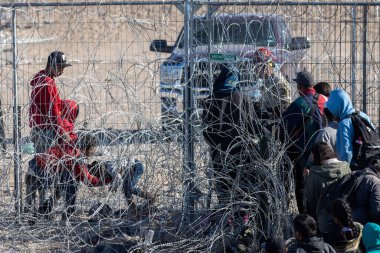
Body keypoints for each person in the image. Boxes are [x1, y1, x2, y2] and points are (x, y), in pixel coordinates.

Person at [202, 64, 256, 206]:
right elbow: (251, 125)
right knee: (242, 183)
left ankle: (226, 215)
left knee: (223, 184)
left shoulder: (210, 100)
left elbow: (206, 130)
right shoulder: (243, 99)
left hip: (219, 151)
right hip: (240, 148)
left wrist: (217, 144)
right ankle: (242, 215)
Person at [27, 51, 73, 212]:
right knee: (45, 168)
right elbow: (52, 113)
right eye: (61, 67)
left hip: (40, 128)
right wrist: (63, 132)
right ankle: (39, 205)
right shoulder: (47, 83)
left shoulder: (42, 79)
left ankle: (35, 204)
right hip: (45, 130)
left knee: (41, 166)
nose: (62, 71)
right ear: (53, 66)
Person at [280, 70, 326, 213]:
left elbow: (284, 127)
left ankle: (305, 217)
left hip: (303, 153)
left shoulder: (299, 104)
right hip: (325, 150)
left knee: (301, 186)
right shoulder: (324, 100)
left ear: (300, 86)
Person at [36, 133, 112, 220]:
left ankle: (45, 208)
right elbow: (89, 182)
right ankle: (69, 212)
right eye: (92, 150)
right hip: (43, 175)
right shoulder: (76, 158)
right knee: (72, 180)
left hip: (37, 168)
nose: (93, 153)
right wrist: (108, 179)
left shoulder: (69, 146)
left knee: (65, 179)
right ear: (85, 148)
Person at [25, 99, 79, 213]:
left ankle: (30, 209)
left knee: (34, 186)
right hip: (53, 168)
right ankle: (65, 211)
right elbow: (70, 148)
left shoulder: (48, 124)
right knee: (70, 179)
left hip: (38, 163)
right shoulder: (66, 127)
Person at [304, 142, 351, 234]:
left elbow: (309, 197)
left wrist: (306, 178)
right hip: (347, 216)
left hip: (326, 220)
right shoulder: (346, 168)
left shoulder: (314, 175)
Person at [324, 89, 375, 169]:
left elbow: (345, 154)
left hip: (358, 170)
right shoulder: (362, 115)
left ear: (336, 106)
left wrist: (343, 173)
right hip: (373, 163)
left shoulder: (344, 123)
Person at [251, 47, 292, 119]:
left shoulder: (278, 82)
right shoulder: (266, 80)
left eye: (256, 67)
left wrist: (269, 115)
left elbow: (285, 105)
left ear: (264, 68)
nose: (255, 70)